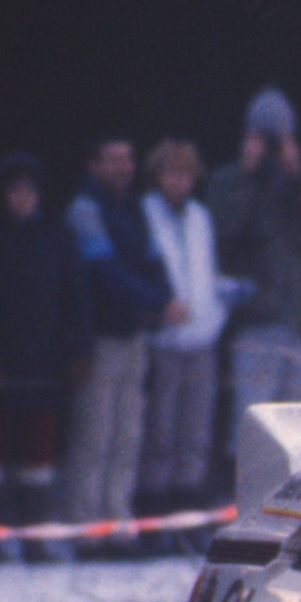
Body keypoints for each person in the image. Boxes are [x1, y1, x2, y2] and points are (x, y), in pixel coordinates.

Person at [0, 153, 89, 553]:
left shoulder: (59, 236)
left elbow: (77, 298)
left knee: (39, 457)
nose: (22, 198)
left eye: (29, 190)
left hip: (47, 362)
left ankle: (37, 540)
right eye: (14, 190)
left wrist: (79, 351)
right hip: (0, 365)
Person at [208, 87, 301, 436]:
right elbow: (225, 229)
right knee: (255, 425)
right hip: (256, 323)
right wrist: (248, 175)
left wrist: (297, 180)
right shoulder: (227, 181)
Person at [64, 134, 174, 531]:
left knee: (127, 435)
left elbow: (152, 259)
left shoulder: (134, 208)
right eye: (112, 159)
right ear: (94, 165)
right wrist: (155, 301)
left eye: (128, 158)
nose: (123, 167)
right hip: (100, 338)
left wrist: (163, 296)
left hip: (134, 336)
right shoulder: (84, 209)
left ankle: (118, 519)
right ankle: (86, 523)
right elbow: (103, 272)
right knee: (95, 434)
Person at [138, 140, 227, 515]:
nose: (179, 181)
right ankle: (155, 510)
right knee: (161, 430)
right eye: (171, 172)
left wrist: (215, 311)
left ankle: (187, 509)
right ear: (158, 175)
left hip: (201, 338)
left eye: (186, 173)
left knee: (195, 431)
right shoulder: (145, 213)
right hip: (164, 339)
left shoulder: (200, 217)